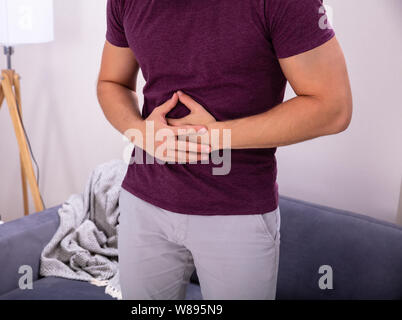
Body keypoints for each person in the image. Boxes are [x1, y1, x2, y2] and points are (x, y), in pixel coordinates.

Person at [97, 0, 352, 300]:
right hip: (143, 203)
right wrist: (141, 132)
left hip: (237, 212)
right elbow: (111, 82)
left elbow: (333, 107)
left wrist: (214, 136)